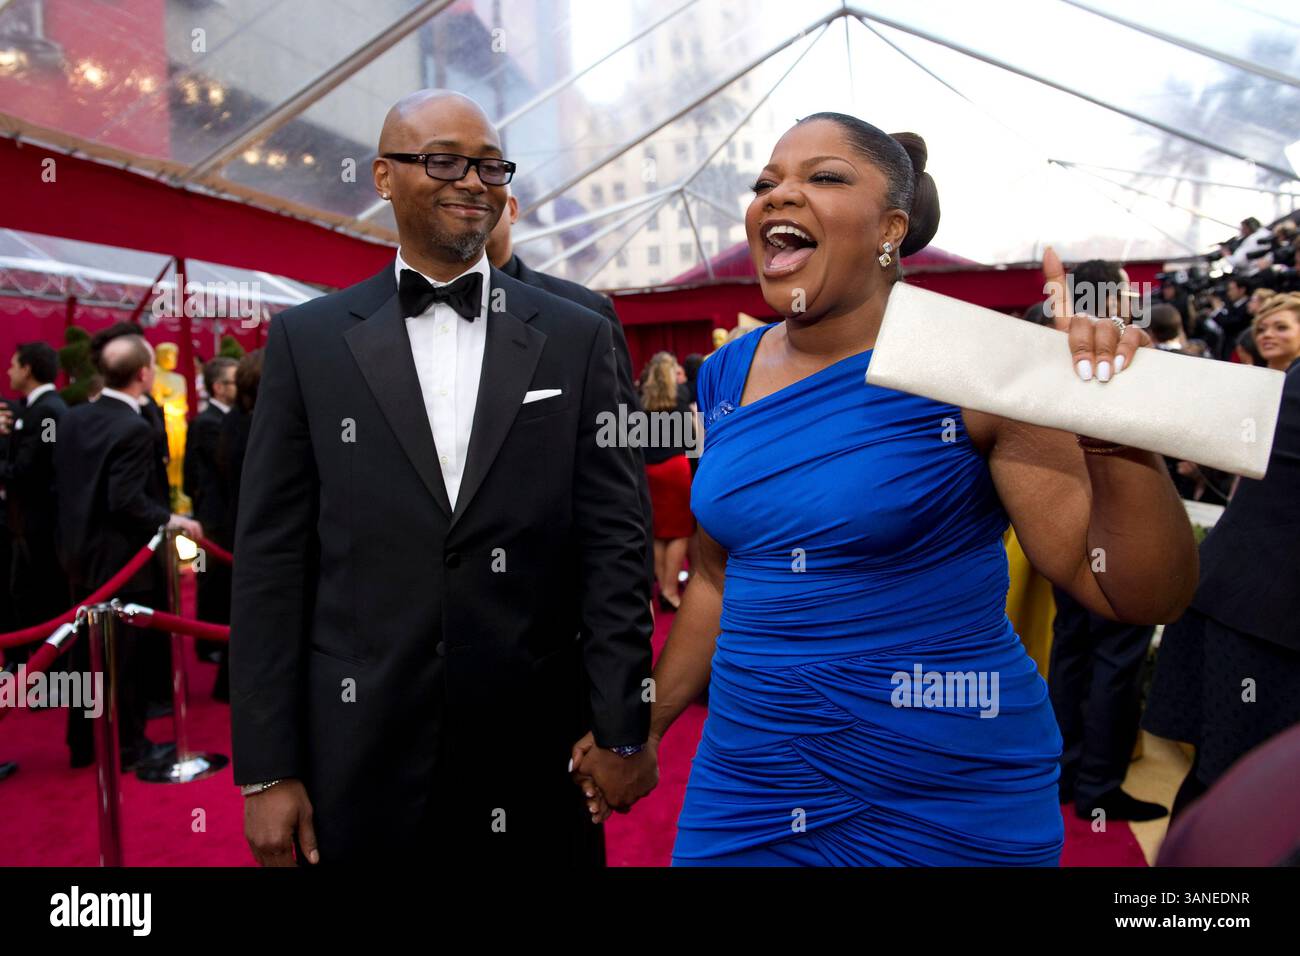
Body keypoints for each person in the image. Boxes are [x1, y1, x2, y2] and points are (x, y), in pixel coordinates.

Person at [576, 112, 1199, 865]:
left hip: (946, 786)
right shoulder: (724, 375)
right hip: (752, 776)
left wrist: (1118, 432)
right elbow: (714, 577)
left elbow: (1136, 595)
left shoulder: (977, 367)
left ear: (891, 228)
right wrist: (644, 729)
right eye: (765, 183)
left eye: (824, 177)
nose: (779, 196)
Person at [231, 89, 654, 867]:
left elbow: (616, 547)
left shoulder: (578, 336)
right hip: (357, 752)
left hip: (537, 747)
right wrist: (264, 770)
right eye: (444, 161)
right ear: (384, 177)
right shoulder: (308, 341)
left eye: (490, 164)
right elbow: (271, 564)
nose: (473, 181)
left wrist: (626, 721)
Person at [1143, 296, 1300, 818]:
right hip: (1259, 612)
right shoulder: (1263, 387)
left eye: (1282, 326)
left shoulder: (1274, 388)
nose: (1269, 334)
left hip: (1245, 601)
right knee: (1233, 785)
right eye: (1264, 326)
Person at [485, 183, 655, 591]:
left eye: (488, 173)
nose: (470, 186)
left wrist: (634, 585)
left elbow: (624, 464)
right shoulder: (380, 320)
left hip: (550, 599)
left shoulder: (584, 315)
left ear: (512, 207)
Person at [54, 334, 202, 769]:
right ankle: (128, 747)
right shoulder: (134, 427)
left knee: (86, 655)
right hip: (122, 563)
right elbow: (125, 500)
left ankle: (83, 744)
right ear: (143, 374)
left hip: (77, 554)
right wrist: (171, 519)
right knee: (123, 660)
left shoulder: (74, 417)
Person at [0, 343, 69, 665]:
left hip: (40, 522)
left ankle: (46, 669)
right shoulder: (35, 410)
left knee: (42, 597)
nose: (9, 371)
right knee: (25, 594)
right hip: (28, 521)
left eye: (13, 365)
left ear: (27, 368)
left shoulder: (48, 412)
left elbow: (36, 467)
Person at [183, 357, 238, 693]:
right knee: (212, 579)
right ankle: (208, 642)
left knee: (219, 579)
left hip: (216, 510)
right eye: (233, 382)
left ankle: (214, 640)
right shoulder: (210, 422)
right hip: (214, 514)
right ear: (219, 387)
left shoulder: (220, 419)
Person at [639, 352, 696, 612]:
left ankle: (664, 587)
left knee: (660, 533)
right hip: (675, 469)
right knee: (680, 532)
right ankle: (670, 591)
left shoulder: (641, 402)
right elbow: (692, 441)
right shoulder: (680, 399)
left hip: (650, 472)